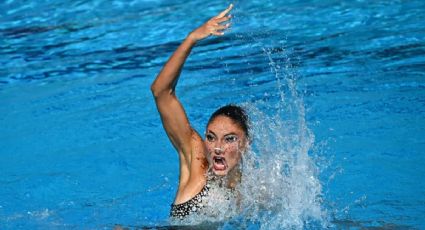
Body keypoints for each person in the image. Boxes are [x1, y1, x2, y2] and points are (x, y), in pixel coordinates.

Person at [150, 4, 250, 221]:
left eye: (229, 139)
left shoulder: (250, 186)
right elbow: (161, 92)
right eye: (211, 137)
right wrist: (192, 39)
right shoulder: (197, 160)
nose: (217, 148)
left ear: (246, 144)